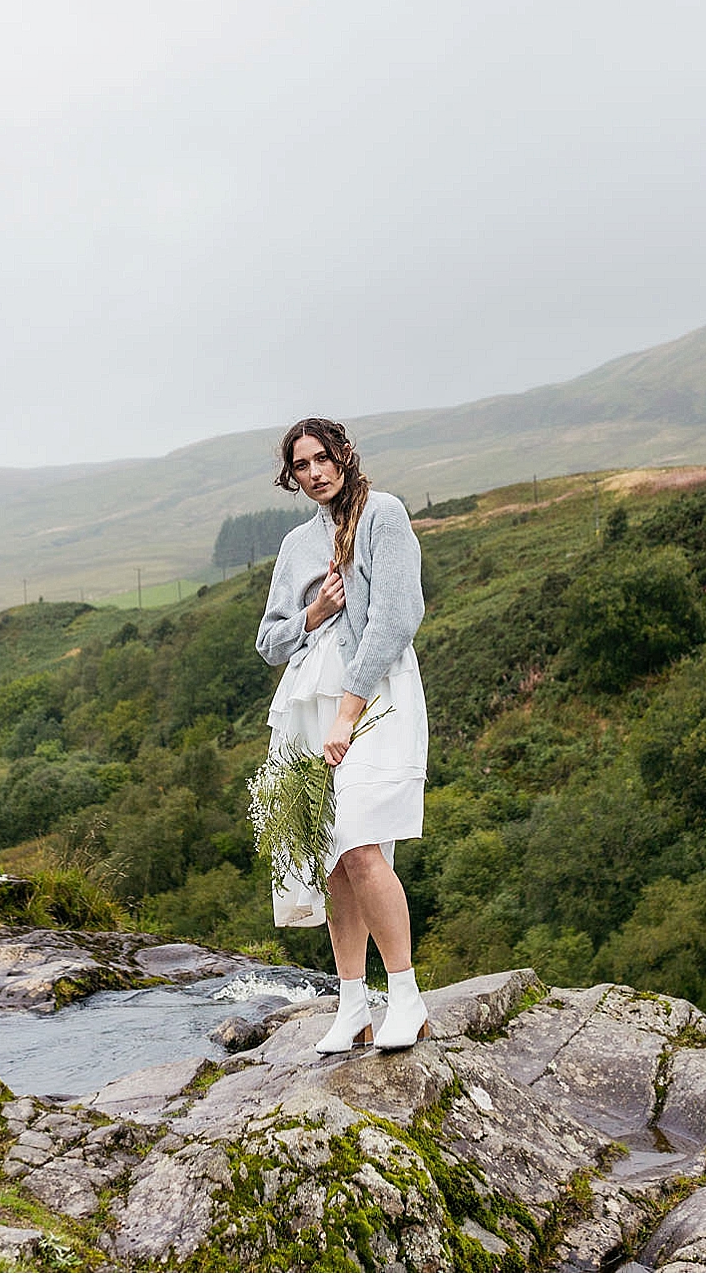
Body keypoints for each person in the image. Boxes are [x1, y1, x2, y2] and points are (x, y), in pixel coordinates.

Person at [255, 418, 430, 1052]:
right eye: (301, 466)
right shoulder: (297, 544)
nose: (314, 474)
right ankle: (353, 1003)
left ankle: (405, 999)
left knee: (360, 846)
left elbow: (397, 615)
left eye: (322, 459)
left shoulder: (384, 515)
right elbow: (269, 641)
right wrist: (314, 613)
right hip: (307, 703)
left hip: (373, 698)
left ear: (344, 457)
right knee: (331, 860)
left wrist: (349, 712)